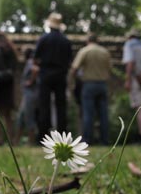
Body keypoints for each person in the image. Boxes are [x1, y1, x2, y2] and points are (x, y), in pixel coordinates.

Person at [33, 12, 72, 142]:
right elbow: (69, 60)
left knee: (44, 105)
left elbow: (35, 58)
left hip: (45, 75)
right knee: (61, 105)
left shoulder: (43, 39)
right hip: (61, 75)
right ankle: (62, 135)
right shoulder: (65, 41)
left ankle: (43, 135)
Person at [71, 33, 112, 145]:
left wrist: (76, 80)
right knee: (103, 114)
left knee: (88, 114)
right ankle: (105, 140)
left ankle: (87, 140)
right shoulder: (105, 52)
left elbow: (74, 69)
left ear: (87, 41)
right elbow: (109, 70)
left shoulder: (84, 51)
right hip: (102, 85)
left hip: (88, 84)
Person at [0, 32, 18, 145]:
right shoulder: (11, 49)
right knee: (8, 114)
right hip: (8, 84)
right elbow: (15, 66)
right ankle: (11, 139)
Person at [14, 48, 39, 145]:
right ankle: (16, 142)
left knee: (29, 117)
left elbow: (35, 70)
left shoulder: (30, 61)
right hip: (28, 95)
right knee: (21, 117)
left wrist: (30, 81)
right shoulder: (31, 61)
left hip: (30, 94)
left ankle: (31, 141)